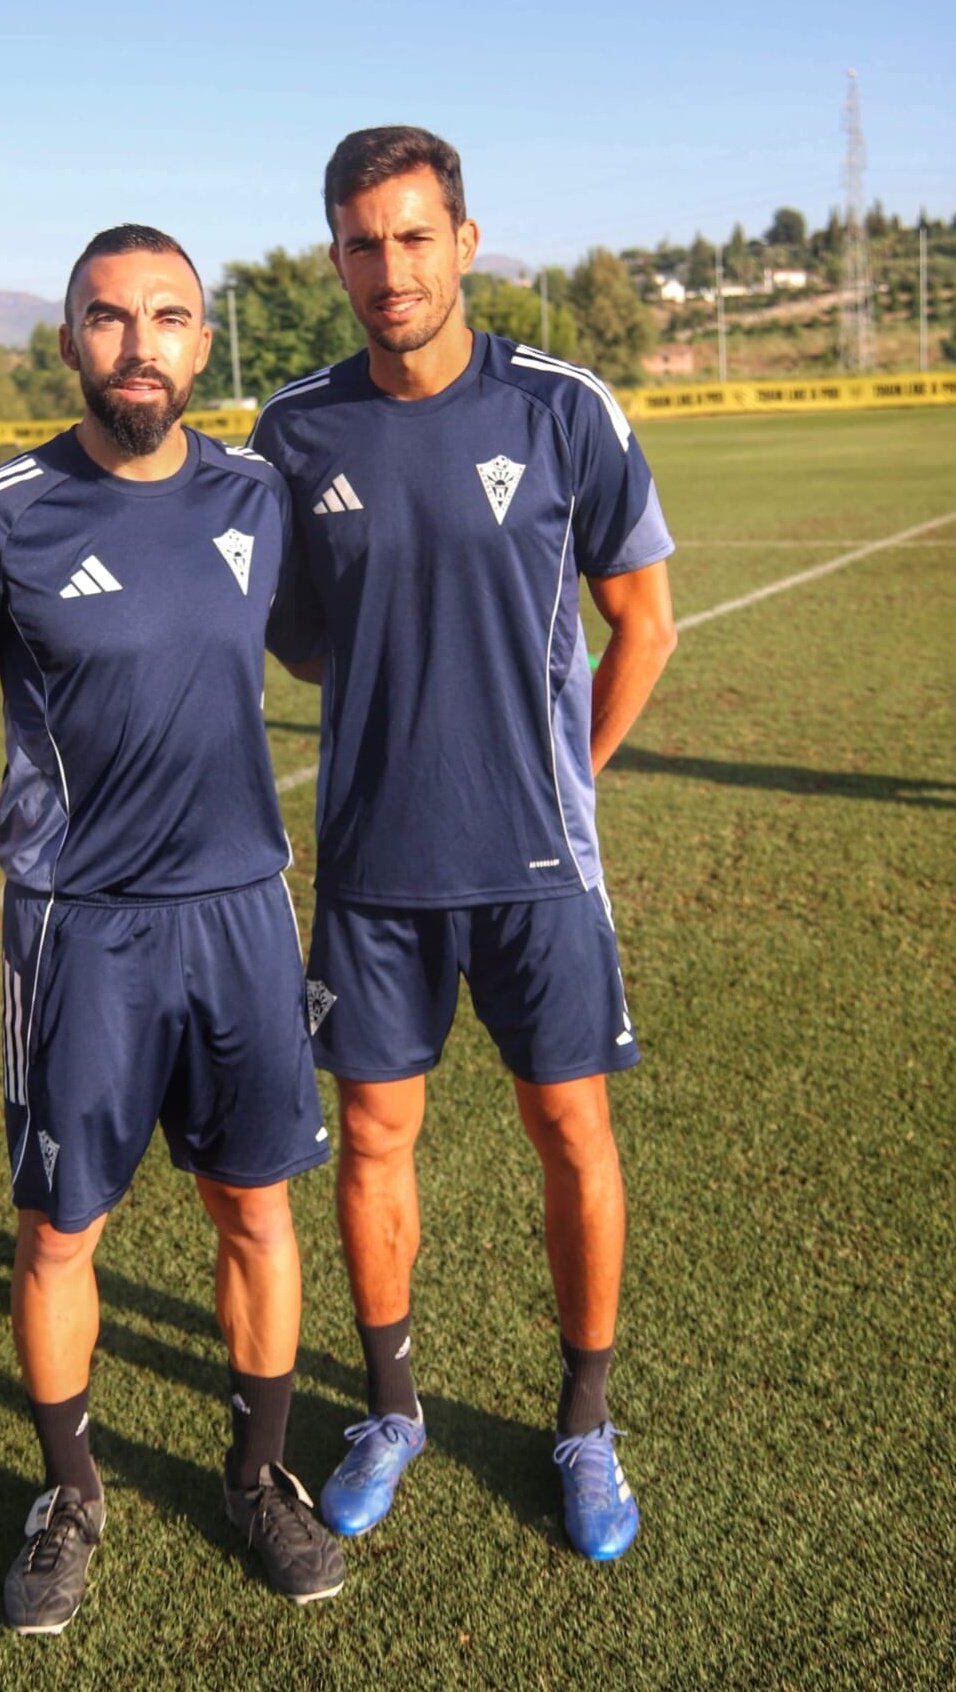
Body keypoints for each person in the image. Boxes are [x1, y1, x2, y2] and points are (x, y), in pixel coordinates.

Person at [0, 224, 345, 1632]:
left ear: (205, 345)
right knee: (60, 1230)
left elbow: (350, 641)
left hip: (241, 920)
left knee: (256, 1209)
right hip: (78, 935)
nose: (138, 343)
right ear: (71, 341)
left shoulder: (261, 498)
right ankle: (68, 1492)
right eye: (107, 317)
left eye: (167, 317)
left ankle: (259, 1474)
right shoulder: (4, 511)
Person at [251, 128, 677, 1561]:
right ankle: (390, 1407)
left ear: (466, 241)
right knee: (374, 1137)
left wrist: (571, 780)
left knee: (573, 1131)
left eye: (415, 237)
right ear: (335, 259)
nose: (391, 269)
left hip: (540, 865)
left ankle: (585, 1424)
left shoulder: (565, 410)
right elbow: (293, 637)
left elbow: (647, 622)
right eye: (364, 244)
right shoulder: (296, 431)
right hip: (374, 865)